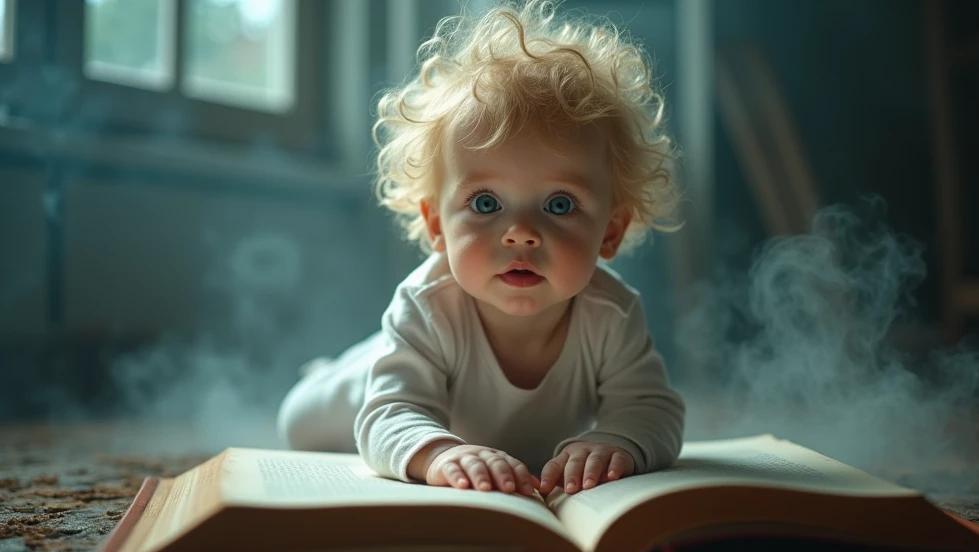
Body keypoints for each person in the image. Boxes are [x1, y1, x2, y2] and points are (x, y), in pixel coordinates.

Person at [278, 0, 685, 497]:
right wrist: (440, 453)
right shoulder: (428, 306)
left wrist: (617, 439)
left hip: (466, 415)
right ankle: (338, 369)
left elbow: (653, 407)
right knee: (298, 425)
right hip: (371, 385)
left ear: (610, 232)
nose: (520, 233)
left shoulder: (612, 314)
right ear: (436, 225)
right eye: (486, 202)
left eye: (559, 204)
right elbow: (389, 413)